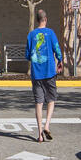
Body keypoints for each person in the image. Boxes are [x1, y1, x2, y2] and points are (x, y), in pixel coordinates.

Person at [26, 9, 62, 142]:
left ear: (37, 20)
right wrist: (60, 61)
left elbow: (27, 55)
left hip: (36, 74)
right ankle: (47, 125)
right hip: (49, 72)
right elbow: (57, 49)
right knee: (51, 99)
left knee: (39, 102)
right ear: (45, 19)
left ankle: (40, 134)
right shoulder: (50, 33)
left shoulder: (31, 35)